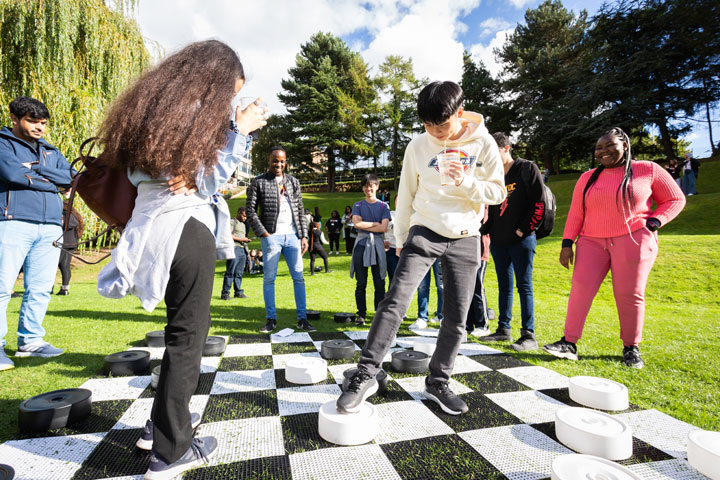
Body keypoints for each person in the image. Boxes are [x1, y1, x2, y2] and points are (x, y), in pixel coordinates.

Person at [96, 40, 267, 479]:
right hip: (186, 230)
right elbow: (209, 183)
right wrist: (241, 132)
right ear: (211, 82)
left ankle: (158, 428)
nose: (229, 102)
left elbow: (149, 176)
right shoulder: (195, 114)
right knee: (188, 339)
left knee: (179, 334)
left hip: (152, 228)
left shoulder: (152, 111)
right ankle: (170, 453)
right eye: (229, 92)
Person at [336, 81, 506, 415]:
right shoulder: (418, 145)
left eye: (441, 126)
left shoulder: (483, 143)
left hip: (465, 235)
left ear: (459, 113)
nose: (435, 133)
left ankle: (438, 381)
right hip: (424, 230)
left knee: (457, 316)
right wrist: (400, 240)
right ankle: (367, 372)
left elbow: (498, 192)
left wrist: (466, 182)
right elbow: (405, 196)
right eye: (427, 126)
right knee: (394, 302)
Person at [543, 127, 685, 369]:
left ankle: (631, 347)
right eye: (599, 148)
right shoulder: (587, 178)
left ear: (625, 146)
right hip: (591, 242)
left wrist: (655, 221)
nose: (604, 151)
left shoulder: (647, 169)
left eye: (610, 145)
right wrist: (567, 244)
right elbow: (577, 213)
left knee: (629, 295)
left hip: (633, 240)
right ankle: (569, 343)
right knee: (580, 290)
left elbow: (675, 199)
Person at [0, 96, 73, 371]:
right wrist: (53, 182)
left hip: (51, 225)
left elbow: (71, 178)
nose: (39, 127)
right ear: (14, 118)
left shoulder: (50, 151)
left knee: (41, 288)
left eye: (43, 123)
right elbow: (12, 174)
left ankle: (31, 342)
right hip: (12, 221)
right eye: (32, 121)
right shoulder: (2, 143)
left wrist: (38, 170)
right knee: (2, 287)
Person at [479, 132, 545, 351]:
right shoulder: (494, 175)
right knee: (504, 286)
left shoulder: (527, 169)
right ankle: (503, 330)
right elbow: (494, 208)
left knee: (524, 286)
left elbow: (539, 204)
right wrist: (484, 230)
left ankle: (528, 335)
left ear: (506, 148)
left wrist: (523, 230)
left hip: (521, 241)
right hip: (498, 242)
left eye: (493, 151)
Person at [246, 146, 314, 333]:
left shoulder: (293, 182)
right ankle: (271, 319)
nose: (279, 164)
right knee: (269, 279)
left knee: (298, 278)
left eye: (282, 161)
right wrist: (264, 234)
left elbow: (300, 210)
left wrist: (304, 236)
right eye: (275, 160)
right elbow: (250, 211)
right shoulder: (258, 182)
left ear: (286, 162)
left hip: (293, 236)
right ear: (269, 160)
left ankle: (302, 319)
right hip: (272, 237)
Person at [350, 173, 391, 326]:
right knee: (361, 283)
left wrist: (368, 224)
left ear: (377, 187)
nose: (369, 189)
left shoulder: (383, 206)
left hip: (378, 246)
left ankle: (379, 314)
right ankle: (361, 313)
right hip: (361, 245)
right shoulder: (358, 205)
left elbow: (384, 227)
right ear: (363, 188)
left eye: (371, 186)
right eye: (366, 186)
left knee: (379, 281)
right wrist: (375, 224)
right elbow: (356, 225)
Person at [466, 205, 493, 337]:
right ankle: (468, 323)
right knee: (467, 288)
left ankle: (483, 324)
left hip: (480, 251)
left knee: (478, 287)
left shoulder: (485, 206)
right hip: (468, 250)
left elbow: (484, 225)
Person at [220, 206, 250, 300]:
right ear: (239, 212)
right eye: (244, 216)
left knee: (239, 272)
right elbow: (228, 234)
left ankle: (238, 292)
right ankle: (225, 293)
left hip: (242, 249)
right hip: (234, 248)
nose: (245, 218)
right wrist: (241, 239)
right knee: (230, 271)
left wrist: (246, 240)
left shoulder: (244, 224)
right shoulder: (232, 222)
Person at [56, 200, 84, 296]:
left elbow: (71, 224)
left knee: (59, 265)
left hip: (66, 244)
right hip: (69, 243)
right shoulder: (72, 214)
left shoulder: (66, 214)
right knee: (64, 266)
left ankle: (56, 288)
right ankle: (64, 289)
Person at [409, 260, 443, 329]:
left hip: (440, 253)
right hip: (423, 254)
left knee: (441, 286)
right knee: (422, 286)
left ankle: (442, 316)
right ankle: (422, 318)